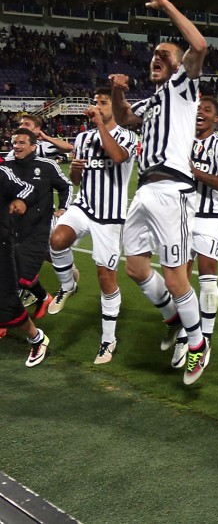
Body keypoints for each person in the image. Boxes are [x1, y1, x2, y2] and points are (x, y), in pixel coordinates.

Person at [108, 0, 210, 385]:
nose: (157, 56)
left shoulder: (185, 88)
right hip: (145, 189)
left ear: (178, 63)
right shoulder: (152, 101)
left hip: (172, 190)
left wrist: (163, 2)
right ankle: (173, 318)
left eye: (164, 53)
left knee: (174, 275)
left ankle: (199, 345)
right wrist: (116, 92)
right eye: (153, 53)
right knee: (133, 268)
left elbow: (199, 45)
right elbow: (124, 117)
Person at [47, 87, 138, 365]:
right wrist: (75, 170)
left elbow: (119, 157)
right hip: (84, 206)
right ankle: (68, 283)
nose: (97, 106)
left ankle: (108, 340)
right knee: (57, 239)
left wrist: (99, 124)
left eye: (103, 102)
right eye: (95, 103)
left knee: (105, 278)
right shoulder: (83, 137)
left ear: (115, 108)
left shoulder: (128, 136)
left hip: (109, 216)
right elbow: (77, 180)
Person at [170, 96, 218, 369]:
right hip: (181, 217)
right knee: (179, 281)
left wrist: (194, 172)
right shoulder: (179, 141)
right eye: (197, 109)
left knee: (207, 280)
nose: (201, 113)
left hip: (209, 218)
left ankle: (205, 338)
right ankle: (187, 334)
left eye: (207, 110)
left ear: (216, 118)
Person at [5, 128, 72, 315]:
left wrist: (64, 208)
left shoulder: (47, 166)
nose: (16, 147)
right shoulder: (6, 166)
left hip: (38, 228)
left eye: (21, 143)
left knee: (17, 273)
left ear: (33, 147)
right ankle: (42, 297)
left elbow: (65, 186)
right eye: (15, 143)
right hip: (12, 225)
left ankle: (10, 320)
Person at [0, 163, 51, 365]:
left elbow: (28, 188)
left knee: (6, 299)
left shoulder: (1, 173)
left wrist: (21, 199)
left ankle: (37, 339)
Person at [5, 113, 74, 160]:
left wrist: (46, 138)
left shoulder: (44, 146)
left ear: (37, 129)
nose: (22, 126)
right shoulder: (15, 149)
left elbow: (69, 148)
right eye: (21, 124)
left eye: (27, 124)